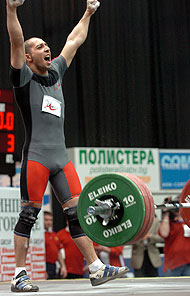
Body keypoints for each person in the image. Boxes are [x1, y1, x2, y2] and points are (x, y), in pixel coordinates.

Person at [6, 0, 129, 292]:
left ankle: (96, 268)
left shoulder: (57, 73)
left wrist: (87, 12)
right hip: (36, 157)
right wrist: (11, 10)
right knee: (28, 215)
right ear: (27, 56)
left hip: (61, 159)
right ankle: (19, 275)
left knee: (77, 213)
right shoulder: (23, 78)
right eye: (39, 47)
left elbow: (74, 40)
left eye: (48, 45)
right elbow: (15, 39)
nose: (47, 49)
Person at [158, 196, 190, 276]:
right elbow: (164, 233)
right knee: (170, 287)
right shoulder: (169, 223)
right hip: (173, 264)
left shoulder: (187, 221)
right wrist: (166, 213)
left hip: (188, 262)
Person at [44, 211, 67, 280]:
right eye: (46, 220)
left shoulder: (54, 235)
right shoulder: (39, 236)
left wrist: (63, 266)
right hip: (45, 265)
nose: (49, 222)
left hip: (54, 265)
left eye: (50, 220)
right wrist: (42, 269)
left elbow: (59, 251)